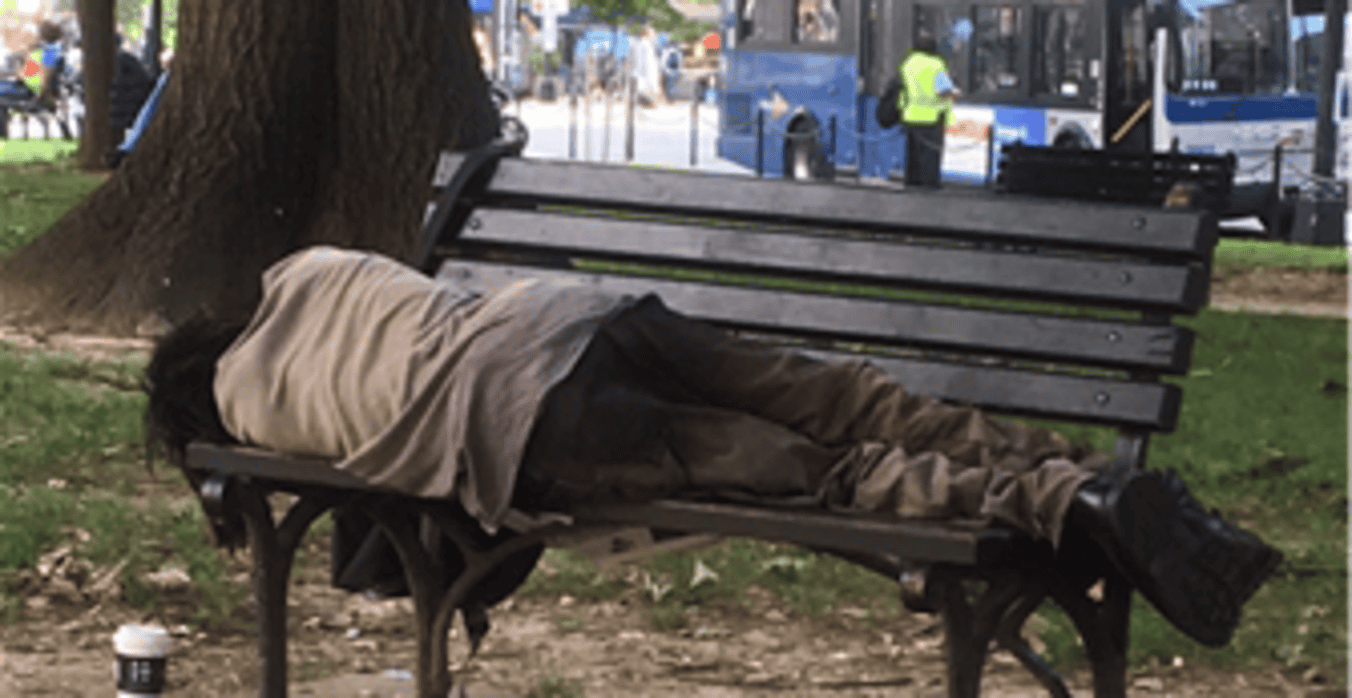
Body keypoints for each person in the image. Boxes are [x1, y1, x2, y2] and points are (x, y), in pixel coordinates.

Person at [144, 246, 1281, 650]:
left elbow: (368, 488)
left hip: (525, 413)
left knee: (821, 472)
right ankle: (1082, 473)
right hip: (575, 315)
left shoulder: (246, 406)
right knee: (845, 398)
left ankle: (1064, 514)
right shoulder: (304, 268)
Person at [898, 31, 958, 187]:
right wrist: (956, 93)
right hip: (932, 118)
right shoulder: (937, 64)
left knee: (913, 157)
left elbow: (903, 89)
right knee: (930, 157)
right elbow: (944, 90)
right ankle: (929, 188)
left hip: (911, 116)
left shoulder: (908, 63)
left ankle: (912, 185)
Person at [0, 20, 63, 106]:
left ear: (43, 34)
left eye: (39, 32)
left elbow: (47, 75)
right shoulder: (48, 48)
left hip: (29, 91)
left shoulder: (50, 51)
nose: (37, 34)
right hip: (26, 86)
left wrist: (40, 96)